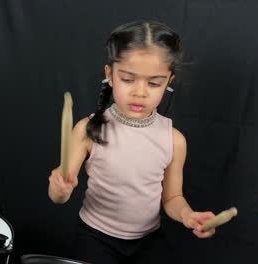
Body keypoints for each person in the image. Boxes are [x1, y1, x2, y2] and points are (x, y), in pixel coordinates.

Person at [48, 20, 216, 264]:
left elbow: (172, 199)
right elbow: (60, 194)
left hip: (149, 241)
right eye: (128, 79)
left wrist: (188, 215)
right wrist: (59, 189)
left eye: (154, 83)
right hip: (95, 238)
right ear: (110, 75)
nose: (140, 92)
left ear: (168, 81)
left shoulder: (174, 140)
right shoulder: (88, 129)